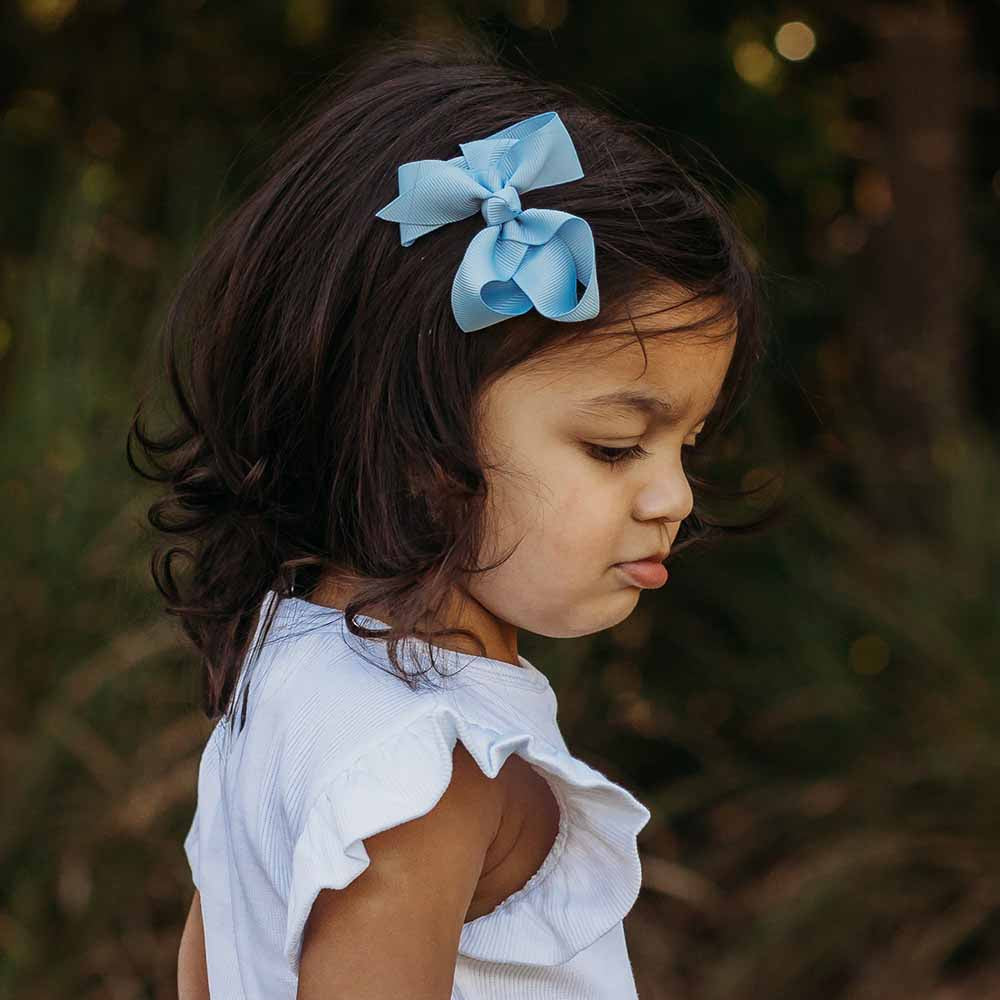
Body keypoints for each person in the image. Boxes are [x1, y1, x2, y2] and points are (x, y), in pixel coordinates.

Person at [129, 32, 773, 1000]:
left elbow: (209, 970)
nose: (672, 496)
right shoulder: (425, 774)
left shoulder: (287, 678)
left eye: (687, 443)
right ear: (411, 439)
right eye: (612, 446)